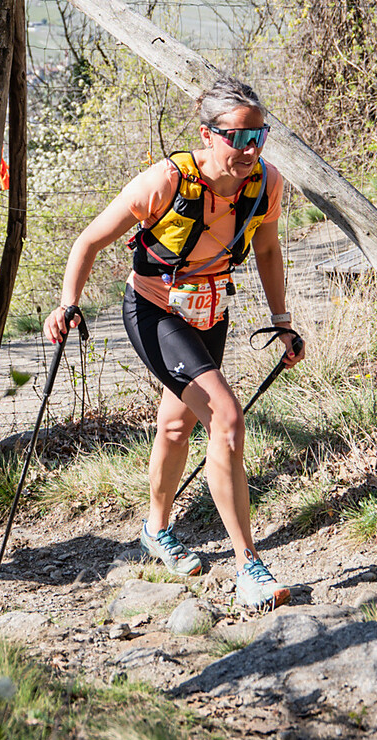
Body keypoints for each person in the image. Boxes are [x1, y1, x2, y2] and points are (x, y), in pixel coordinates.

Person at [44, 76, 304, 613]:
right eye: (238, 137)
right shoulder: (166, 181)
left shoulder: (266, 183)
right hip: (155, 311)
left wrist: (281, 321)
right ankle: (249, 568)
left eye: (259, 136)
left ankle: (155, 530)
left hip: (210, 311)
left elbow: (268, 250)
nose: (250, 149)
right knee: (226, 419)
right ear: (207, 135)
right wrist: (68, 303)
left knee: (175, 425)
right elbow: (89, 240)